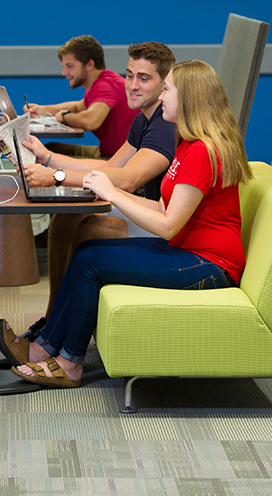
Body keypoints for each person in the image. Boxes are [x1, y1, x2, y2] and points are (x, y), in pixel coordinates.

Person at [0, 59, 252, 388]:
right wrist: (104, 187)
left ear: (188, 98)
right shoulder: (189, 144)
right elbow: (163, 205)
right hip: (191, 251)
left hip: (210, 265)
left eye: (167, 90)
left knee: (92, 262)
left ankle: (69, 363)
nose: (162, 98)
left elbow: (167, 226)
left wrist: (112, 193)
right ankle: (45, 346)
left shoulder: (203, 152)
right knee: (89, 249)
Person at [18, 42, 177, 339]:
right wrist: (47, 157)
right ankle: (54, 320)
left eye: (144, 79)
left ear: (165, 84)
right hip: (150, 208)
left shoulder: (165, 125)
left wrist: (56, 176)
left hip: (164, 221)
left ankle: (59, 327)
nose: (131, 86)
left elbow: (127, 179)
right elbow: (110, 164)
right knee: (65, 219)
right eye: (129, 75)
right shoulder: (145, 117)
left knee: (88, 227)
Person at [23, 35, 139, 159]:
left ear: (89, 64)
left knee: (48, 157)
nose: (64, 73)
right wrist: (42, 109)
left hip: (117, 161)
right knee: (52, 149)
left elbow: (90, 121)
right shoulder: (100, 84)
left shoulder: (105, 86)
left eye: (70, 66)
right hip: (109, 153)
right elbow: (78, 107)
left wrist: (64, 117)